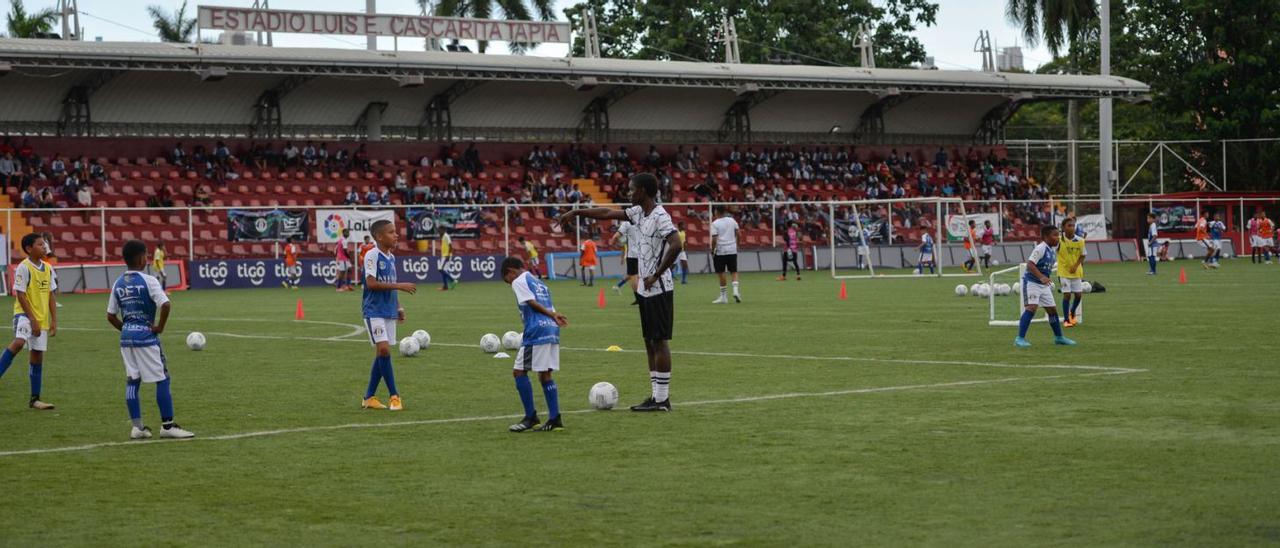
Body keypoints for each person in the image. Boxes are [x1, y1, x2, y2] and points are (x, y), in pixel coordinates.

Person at [557, 173, 681, 412]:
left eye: (632, 189)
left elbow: (676, 243)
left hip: (659, 287)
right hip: (646, 289)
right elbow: (606, 214)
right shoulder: (637, 213)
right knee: (649, 341)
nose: (628, 193)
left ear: (643, 191)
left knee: (660, 340)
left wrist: (657, 273)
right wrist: (577, 212)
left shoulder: (660, 215)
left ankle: (663, 399)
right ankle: (655, 397)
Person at [107, 240, 195, 439]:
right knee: (162, 378)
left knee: (133, 380)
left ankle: (137, 428)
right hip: (146, 337)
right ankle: (168, 425)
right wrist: (159, 328)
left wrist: (127, 329)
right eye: (145, 255)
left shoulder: (118, 282)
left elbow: (110, 315)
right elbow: (165, 304)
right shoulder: (148, 280)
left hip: (126, 338)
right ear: (140, 258)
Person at [502, 256, 568, 432]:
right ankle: (555, 419)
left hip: (537, 330)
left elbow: (531, 303)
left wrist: (551, 315)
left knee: (519, 371)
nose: (509, 284)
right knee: (545, 375)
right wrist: (553, 317)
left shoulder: (519, 280)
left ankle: (530, 417)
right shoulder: (537, 281)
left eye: (506, 280)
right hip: (551, 329)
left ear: (510, 271)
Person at [359, 220, 416, 411]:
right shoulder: (372, 255)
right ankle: (395, 396)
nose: (396, 235)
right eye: (392, 232)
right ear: (380, 237)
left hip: (388, 310)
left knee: (381, 354)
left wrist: (398, 307)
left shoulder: (391, 257)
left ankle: (368, 397)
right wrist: (399, 285)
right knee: (384, 351)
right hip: (374, 310)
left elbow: (389, 283)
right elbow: (371, 283)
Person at [0, 233, 58, 409]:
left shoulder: (48, 268)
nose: (44, 247)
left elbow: (50, 295)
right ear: (29, 249)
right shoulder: (24, 267)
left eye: (44, 244)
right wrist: (32, 318)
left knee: (37, 356)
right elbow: (21, 294)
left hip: (41, 319)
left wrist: (54, 320)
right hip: (24, 315)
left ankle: (35, 399)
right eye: (40, 244)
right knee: (18, 343)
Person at [1014, 225, 1076, 348]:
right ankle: (1019, 338)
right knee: (1031, 308)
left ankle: (1059, 337)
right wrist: (1041, 277)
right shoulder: (1041, 248)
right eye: (1054, 235)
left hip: (1043, 285)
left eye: (1058, 235)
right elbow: (1030, 265)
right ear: (1046, 237)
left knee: (1052, 310)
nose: (1057, 238)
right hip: (1032, 283)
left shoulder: (1051, 250)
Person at [1058, 217, 1086, 327]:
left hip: (1076, 272)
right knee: (1067, 295)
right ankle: (1066, 320)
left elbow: (1083, 255)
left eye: (1073, 226)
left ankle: (1072, 311)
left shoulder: (1080, 240)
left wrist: (1075, 265)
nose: (1072, 228)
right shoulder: (1059, 241)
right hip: (1063, 272)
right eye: (1069, 226)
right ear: (1063, 228)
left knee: (1078, 295)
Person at [710, 209, 741, 303]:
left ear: (717, 212)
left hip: (721, 251)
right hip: (732, 249)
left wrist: (712, 250)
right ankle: (736, 291)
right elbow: (739, 234)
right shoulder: (732, 220)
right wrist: (737, 245)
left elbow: (714, 239)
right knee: (734, 271)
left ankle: (724, 297)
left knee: (721, 272)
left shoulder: (715, 223)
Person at [610, 221, 639, 304]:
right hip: (643, 253)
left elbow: (618, 240)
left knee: (632, 276)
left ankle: (638, 298)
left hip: (632, 254)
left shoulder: (626, 224)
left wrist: (613, 243)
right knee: (635, 276)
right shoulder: (643, 220)